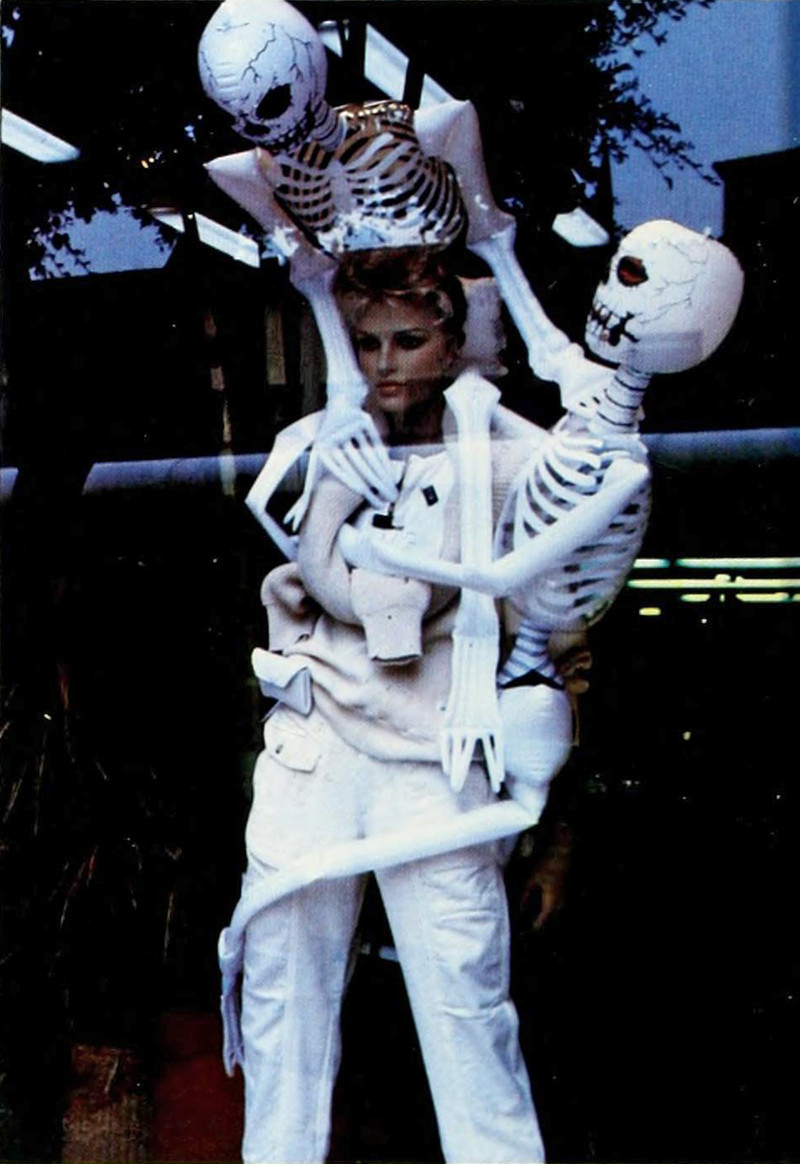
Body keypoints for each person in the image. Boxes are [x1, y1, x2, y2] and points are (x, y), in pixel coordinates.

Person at [238, 248, 572, 1164]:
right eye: (368, 342)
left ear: (453, 343)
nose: (386, 362)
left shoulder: (509, 459)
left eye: (410, 340)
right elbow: (303, 558)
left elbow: (562, 628)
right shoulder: (317, 446)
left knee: (465, 1001)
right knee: (282, 998)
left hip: (438, 752)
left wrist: (555, 817)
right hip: (317, 740)